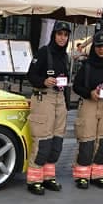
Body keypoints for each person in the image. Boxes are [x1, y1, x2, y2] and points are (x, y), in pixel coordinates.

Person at [24, 21, 72, 195]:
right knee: (43, 140)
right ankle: (34, 180)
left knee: (57, 141)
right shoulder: (44, 52)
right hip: (44, 97)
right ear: (54, 35)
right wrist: (43, 81)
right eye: (59, 34)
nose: (62, 38)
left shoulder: (64, 56)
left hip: (60, 99)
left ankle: (48, 177)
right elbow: (31, 75)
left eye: (65, 35)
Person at [72, 31, 103, 189]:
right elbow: (76, 86)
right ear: (94, 48)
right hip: (89, 104)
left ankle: (98, 175)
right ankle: (82, 176)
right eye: (99, 46)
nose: (102, 49)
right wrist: (89, 93)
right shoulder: (86, 66)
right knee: (87, 140)